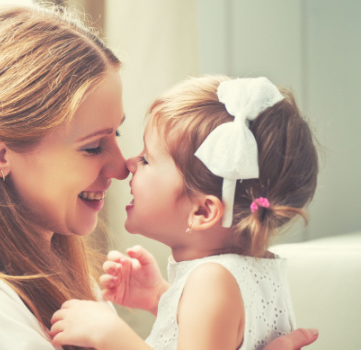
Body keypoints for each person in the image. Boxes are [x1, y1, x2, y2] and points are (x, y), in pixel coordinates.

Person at [0, 5, 319, 350]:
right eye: (93, 146)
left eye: (118, 135)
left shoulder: (61, 278)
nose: (120, 166)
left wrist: (163, 303)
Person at [49, 75, 319, 350]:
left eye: (146, 159)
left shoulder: (211, 282)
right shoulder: (250, 272)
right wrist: (160, 297)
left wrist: (111, 336)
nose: (129, 163)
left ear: (202, 211)